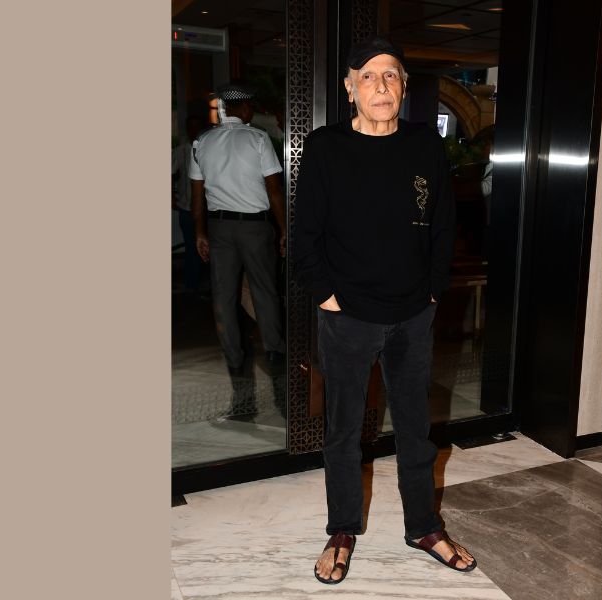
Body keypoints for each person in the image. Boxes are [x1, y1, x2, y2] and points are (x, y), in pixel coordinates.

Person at [293, 36, 476, 585]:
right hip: (347, 315)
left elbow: (443, 224)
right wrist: (327, 298)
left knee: (416, 430)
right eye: (368, 76)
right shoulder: (325, 146)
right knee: (345, 431)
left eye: (391, 75)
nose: (381, 86)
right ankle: (342, 530)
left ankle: (424, 527)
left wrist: (434, 290)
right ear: (350, 87)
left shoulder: (424, 145)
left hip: (413, 313)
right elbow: (305, 237)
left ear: (404, 87)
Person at [189, 84, 287, 420]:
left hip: (219, 229)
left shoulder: (202, 142)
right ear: (242, 108)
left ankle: (241, 393)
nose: (252, 112)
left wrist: (200, 232)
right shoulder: (258, 139)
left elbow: (197, 194)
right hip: (255, 228)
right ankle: (279, 376)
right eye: (250, 106)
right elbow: (274, 190)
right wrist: (284, 229)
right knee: (265, 294)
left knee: (224, 301)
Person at [172, 115, 208, 296]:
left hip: (209, 210)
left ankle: (208, 285)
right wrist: (171, 196)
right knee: (191, 247)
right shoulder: (180, 151)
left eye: (197, 126)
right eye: (191, 126)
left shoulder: (209, 148)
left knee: (210, 247)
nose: (194, 130)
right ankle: (191, 286)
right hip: (187, 208)